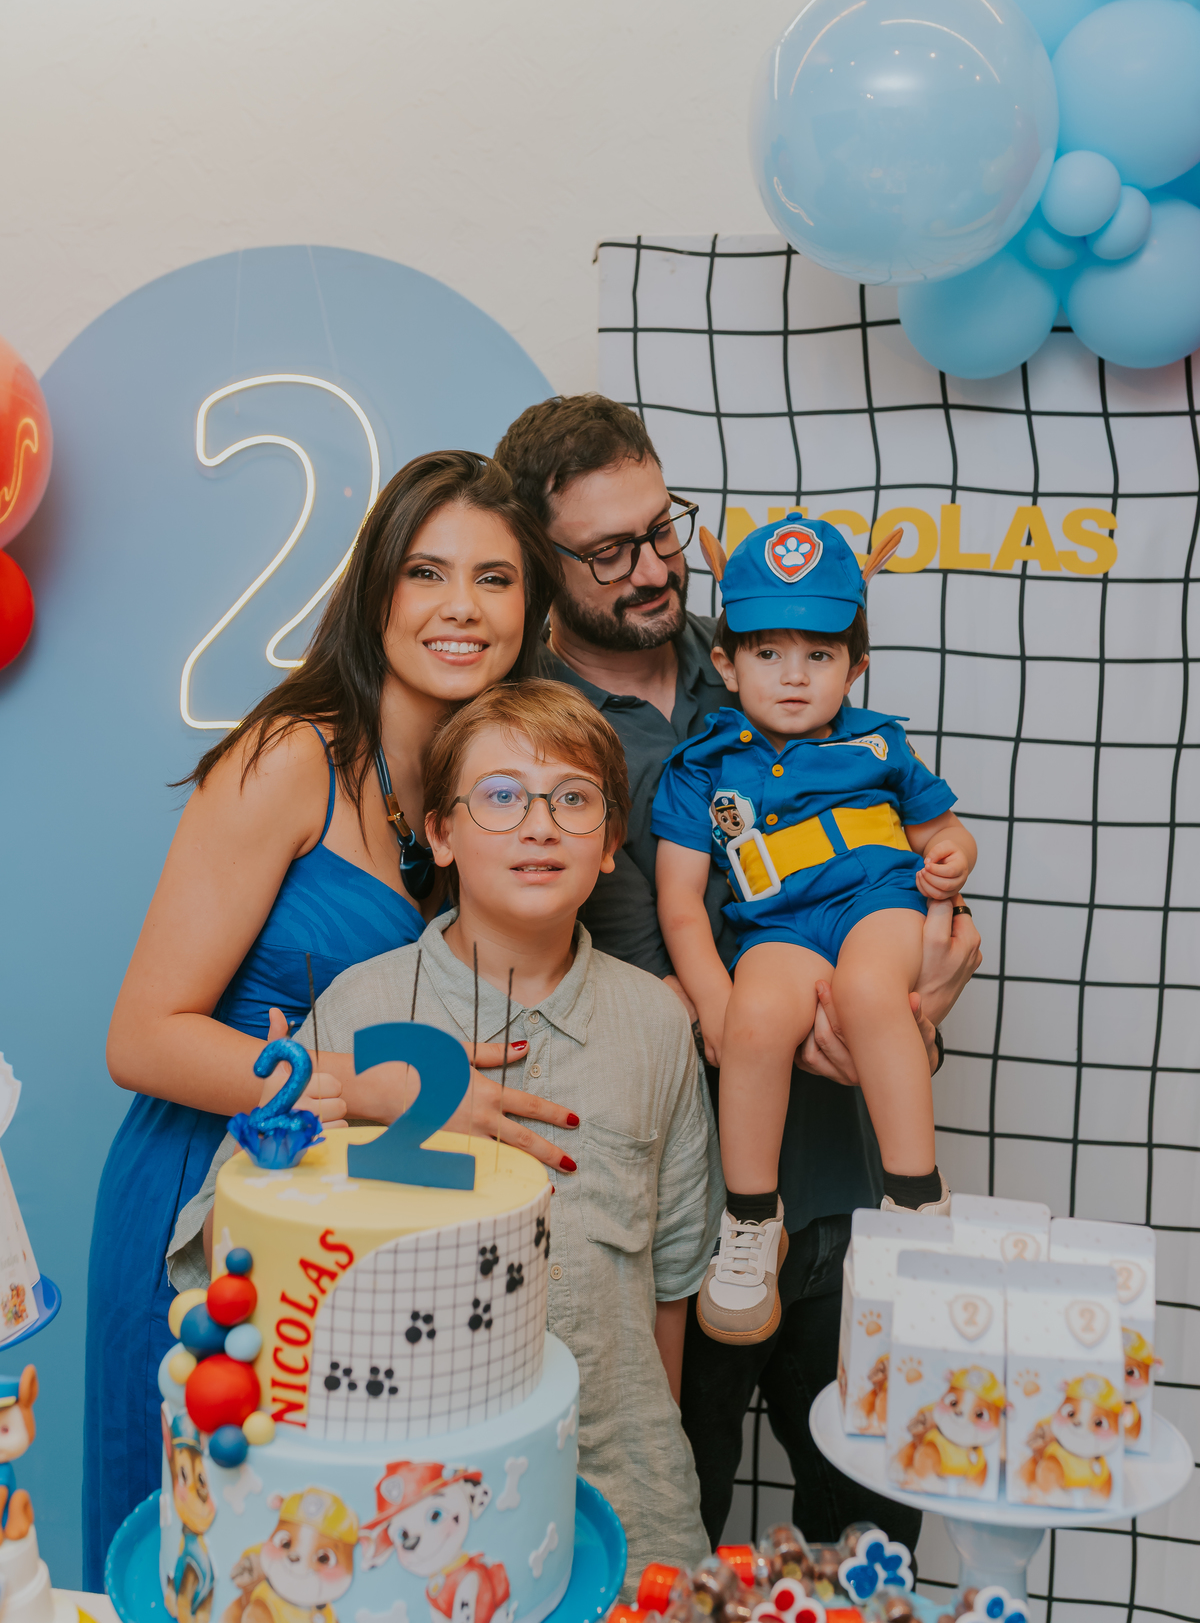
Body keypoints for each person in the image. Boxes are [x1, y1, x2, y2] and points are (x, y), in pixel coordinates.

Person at [493, 394, 982, 1550]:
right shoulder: (529, 739)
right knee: (664, 1541)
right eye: (611, 551)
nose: (656, 567)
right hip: (664, 1237)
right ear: (536, 556)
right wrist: (676, 1004)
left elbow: (894, 866)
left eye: (665, 528)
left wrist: (923, 989)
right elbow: (495, 971)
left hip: (849, 1200)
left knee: (868, 1544)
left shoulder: (774, 658)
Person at [84, 451, 573, 1587]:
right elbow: (142, 1036)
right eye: (427, 573)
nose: (461, 608)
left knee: (332, 1561)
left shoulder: (473, 783)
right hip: (201, 1198)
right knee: (206, 1553)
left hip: (346, 1223)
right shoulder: (289, 756)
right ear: (375, 594)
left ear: (531, 611)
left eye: (495, 580)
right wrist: (353, 1087)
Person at [166, 680, 721, 1595]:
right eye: (500, 796)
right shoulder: (362, 1007)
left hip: (623, 1494)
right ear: (443, 834)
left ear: (613, 844)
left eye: (574, 799)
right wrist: (333, 1103)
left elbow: (668, 1292)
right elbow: (234, 1251)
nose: (539, 824)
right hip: (411, 1517)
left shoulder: (656, 1028)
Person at [653, 517, 977, 1345]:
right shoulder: (703, 765)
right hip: (780, 927)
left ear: (855, 665)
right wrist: (715, 999)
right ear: (725, 662)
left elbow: (944, 830)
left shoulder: (879, 745)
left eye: (820, 656)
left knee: (872, 992)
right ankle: (754, 1220)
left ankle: (916, 1200)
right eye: (768, 654)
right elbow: (684, 901)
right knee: (757, 1017)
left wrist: (949, 861)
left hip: (876, 908)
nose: (793, 678)